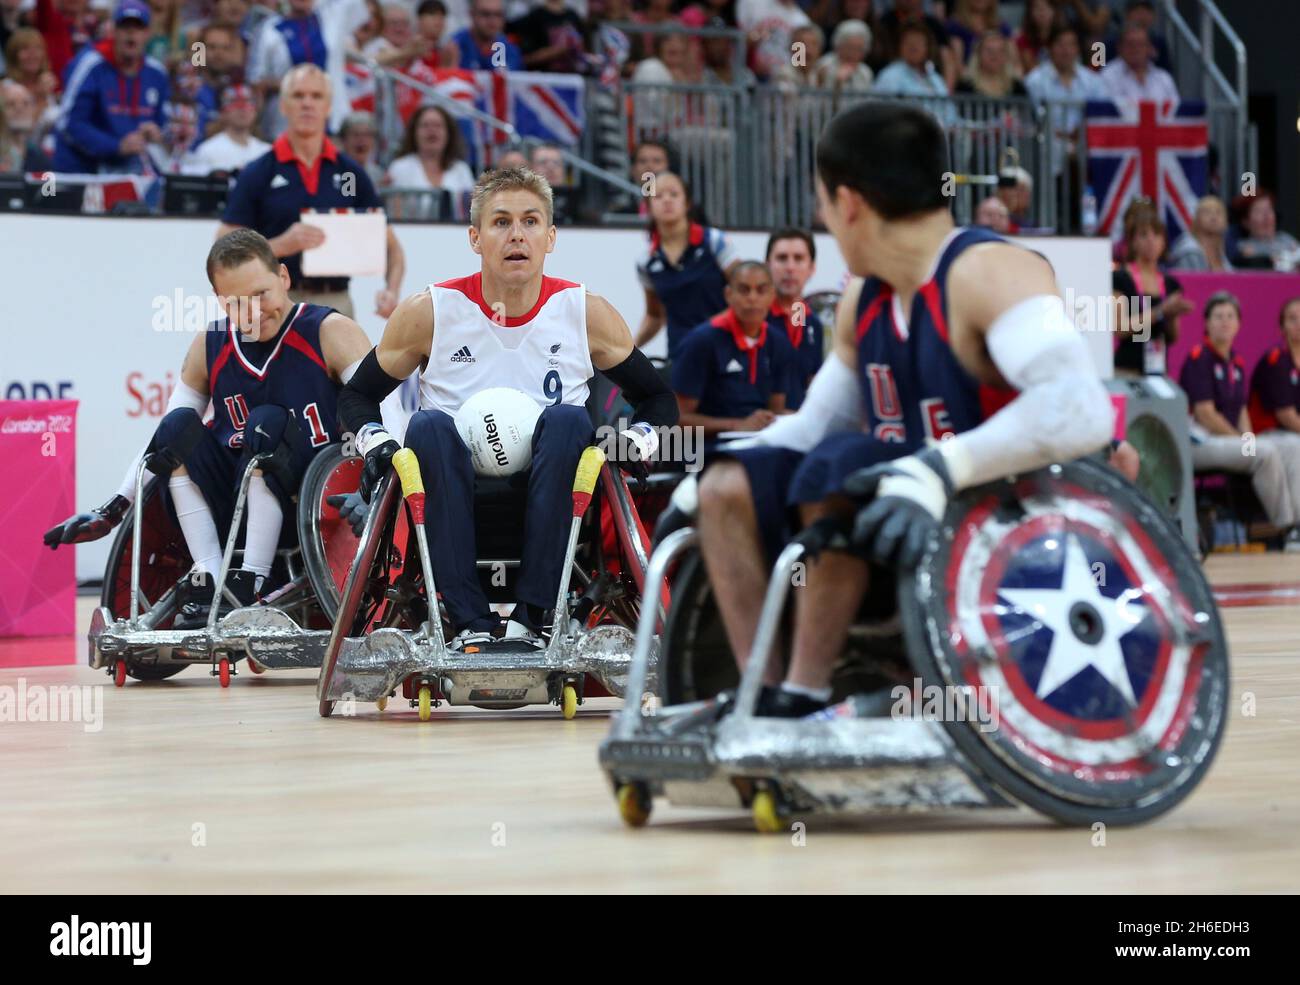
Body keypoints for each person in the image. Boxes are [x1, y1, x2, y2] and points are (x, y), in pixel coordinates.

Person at [695, 101, 1112, 717]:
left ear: (851, 203)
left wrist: (941, 468)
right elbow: (812, 427)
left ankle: (807, 692)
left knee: (842, 463)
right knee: (727, 488)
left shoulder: (987, 271)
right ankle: (771, 694)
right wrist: (708, 474)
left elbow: (1083, 410)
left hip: (1000, 512)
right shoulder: (864, 295)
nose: (823, 219)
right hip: (892, 503)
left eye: (823, 203)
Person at [332, 166, 679, 651]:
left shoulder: (585, 311)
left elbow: (659, 398)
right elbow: (356, 395)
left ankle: (532, 619)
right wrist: (377, 444)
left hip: (557, 493)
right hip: (452, 491)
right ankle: (470, 621)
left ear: (551, 236)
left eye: (531, 221)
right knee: (427, 425)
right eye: (500, 222)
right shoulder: (429, 311)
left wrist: (634, 442)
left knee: (568, 420)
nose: (517, 234)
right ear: (475, 237)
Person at [43, 229, 375, 626]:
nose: (252, 311)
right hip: (229, 504)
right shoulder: (210, 344)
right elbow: (164, 440)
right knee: (178, 426)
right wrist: (114, 508)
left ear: (284, 278)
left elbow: (381, 418)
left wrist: (370, 489)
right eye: (237, 302)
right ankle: (210, 573)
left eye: (261, 294)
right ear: (220, 300)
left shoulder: (331, 331)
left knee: (265, 423)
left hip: (313, 503)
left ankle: (251, 579)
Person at [219, 64, 406, 319]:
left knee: (348, 361)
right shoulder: (259, 172)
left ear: (328, 107)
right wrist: (281, 245)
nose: (307, 104)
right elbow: (224, 248)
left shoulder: (349, 174)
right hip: (276, 304)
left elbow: (392, 248)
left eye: (316, 96)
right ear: (283, 106)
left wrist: (391, 291)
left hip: (337, 303)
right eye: (298, 96)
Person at [1180, 291, 1300, 550]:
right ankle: (1286, 529)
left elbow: (1242, 410)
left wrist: (1247, 438)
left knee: (1293, 447)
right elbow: (1205, 414)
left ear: (1239, 324)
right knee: (1264, 451)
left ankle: (1296, 525)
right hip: (1199, 442)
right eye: (1218, 316)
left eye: (1230, 316)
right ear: (1207, 323)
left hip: (1229, 441)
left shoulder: (1236, 362)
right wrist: (1244, 441)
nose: (1224, 321)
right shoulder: (1199, 358)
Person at [672, 261, 797, 438]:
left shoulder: (779, 343)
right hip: (707, 449)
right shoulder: (700, 341)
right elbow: (676, 419)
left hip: (758, 443)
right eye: (744, 290)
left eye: (761, 290)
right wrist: (736, 425)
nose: (752, 298)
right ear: (728, 294)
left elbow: (774, 413)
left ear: (772, 296)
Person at [52, 1, 170, 175]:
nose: (131, 33)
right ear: (113, 30)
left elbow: (164, 123)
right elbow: (68, 123)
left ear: (148, 33)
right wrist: (116, 146)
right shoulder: (90, 65)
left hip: (134, 170)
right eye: (124, 27)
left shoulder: (157, 73)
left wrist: (157, 134)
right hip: (85, 168)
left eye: (138, 28)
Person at [634, 169, 740, 360]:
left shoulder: (716, 242)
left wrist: (707, 331)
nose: (667, 200)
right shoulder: (646, 262)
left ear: (687, 203)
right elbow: (655, 316)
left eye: (674, 194)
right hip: (680, 355)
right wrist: (627, 350)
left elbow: (743, 294)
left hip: (725, 350)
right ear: (648, 206)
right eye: (658, 196)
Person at [246, 0, 371, 134]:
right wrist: (291, 84)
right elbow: (255, 80)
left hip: (333, 119)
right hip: (285, 124)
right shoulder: (269, 29)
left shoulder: (331, 17)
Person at [1110, 201, 1193, 376]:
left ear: (1164, 241)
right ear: (1132, 242)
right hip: (1127, 369)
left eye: (1156, 235)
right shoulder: (1120, 278)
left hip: (1158, 370)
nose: (1151, 240)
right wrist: (1161, 311)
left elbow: (1173, 337)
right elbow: (1120, 328)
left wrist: (1172, 314)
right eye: (1143, 235)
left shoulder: (1171, 284)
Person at [764, 227, 823, 408]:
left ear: (811, 268)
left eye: (798, 259)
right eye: (782, 258)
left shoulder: (809, 321)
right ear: (767, 265)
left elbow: (812, 380)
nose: (790, 268)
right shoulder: (753, 316)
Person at [384, 103, 476, 194]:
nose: (432, 130)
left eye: (438, 125)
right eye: (425, 125)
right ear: (414, 133)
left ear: (448, 133)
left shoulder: (461, 170)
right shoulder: (399, 168)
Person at [1249, 297, 1300, 453]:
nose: (1299, 323)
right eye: (1292, 318)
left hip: (1291, 433)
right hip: (1264, 434)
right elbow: (1287, 416)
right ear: (1282, 327)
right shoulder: (1277, 360)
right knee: (1296, 445)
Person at [188, 85, 269, 176]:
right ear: (222, 112)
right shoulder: (208, 150)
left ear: (255, 112)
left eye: (248, 101)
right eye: (233, 101)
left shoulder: (266, 151)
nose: (242, 108)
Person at [1099, 25, 1179, 108]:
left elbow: (1175, 112)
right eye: (1130, 44)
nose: (1135, 49)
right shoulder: (1107, 75)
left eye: (1140, 44)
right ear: (1119, 48)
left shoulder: (1164, 78)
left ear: (1150, 48)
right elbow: (1105, 114)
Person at [872, 21, 948, 99]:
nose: (913, 47)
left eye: (918, 42)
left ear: (927, 47)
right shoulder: (891, 76)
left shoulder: (935, 78)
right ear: (900, 46)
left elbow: (949, 108)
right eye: (908, 42)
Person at [508, 0, 587, 73]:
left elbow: (583, 51)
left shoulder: (573, 16)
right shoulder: (534, 17)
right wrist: (557, 51)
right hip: (543, 78)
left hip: (573, 78)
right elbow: (525, 59)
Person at [1233, 192, 1300, 270]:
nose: (1266, 215)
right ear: (1246, 221)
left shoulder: (1285, 238)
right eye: (1259, 211)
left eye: (1269, 209)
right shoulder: (1242, 247)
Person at [1167, 195, 1234, 272]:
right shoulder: (1188, 251)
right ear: (1197, 219)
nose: (1214, 217)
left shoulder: (1225, 251)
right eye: (1207, 212)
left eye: (1218, 212)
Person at [451, 0, 523, 70]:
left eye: (498, 14)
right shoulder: (455, 46)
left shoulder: (510, 50)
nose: (492, 20)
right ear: (472, 14)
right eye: (485, 14)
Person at [953, 30, 1025, 98]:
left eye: (1000, 51)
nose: (995, 55)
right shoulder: (965, 86)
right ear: (978, 54)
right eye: (989, 50)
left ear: (1006, 56)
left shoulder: (1016, 87)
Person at [813, 19, 873, 92]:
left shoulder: (865, 72)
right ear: (838, 47)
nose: (852, 54)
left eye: (858, 49)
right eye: (849, 47)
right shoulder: (824, 66)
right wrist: (838, 82)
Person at [1013, 0, 1061, 74]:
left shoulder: (1063, 36)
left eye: (1047, 7)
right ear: (1030, 13)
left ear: (1054, 10)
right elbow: (1032, 70)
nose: (1042, 12)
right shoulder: (1023, 39)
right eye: (1037, 7)